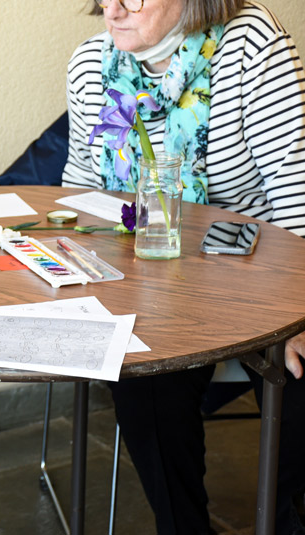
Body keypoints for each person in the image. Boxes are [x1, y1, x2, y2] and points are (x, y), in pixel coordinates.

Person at [62, 0, 305, 533]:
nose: (114, 8)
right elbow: (81, 187)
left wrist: (297, 315)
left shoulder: (249, 44)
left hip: (259, 280)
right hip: (153, 289)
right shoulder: (90, 65)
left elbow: (295, 191)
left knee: (302, 383)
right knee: (144, 381)